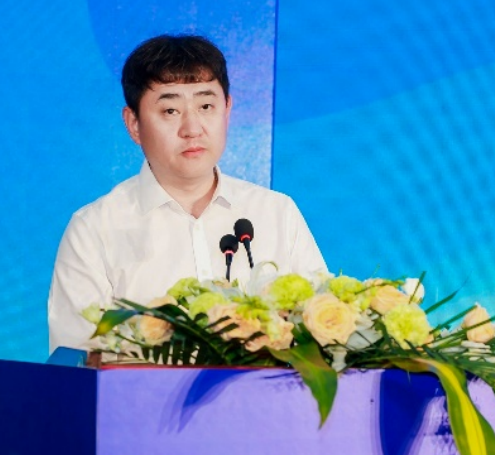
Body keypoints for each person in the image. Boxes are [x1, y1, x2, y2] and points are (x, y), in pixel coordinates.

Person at [47, 35, 327, 353]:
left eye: (206, 106)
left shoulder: (277, 214)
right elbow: (76, 359)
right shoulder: (94, 230)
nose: (192, 128)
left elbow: (323, 339)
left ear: (227, 110)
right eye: (170, 111)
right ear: (134, 124)